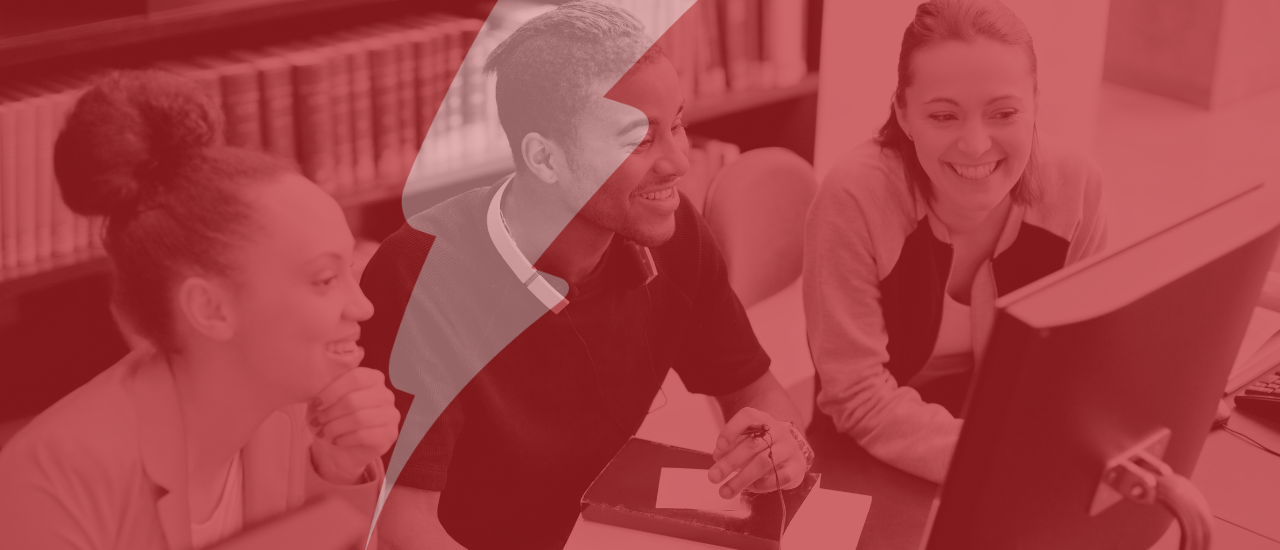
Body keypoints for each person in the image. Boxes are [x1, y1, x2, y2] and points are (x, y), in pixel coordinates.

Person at [359, 2, 814, 549]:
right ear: (546, 159)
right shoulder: (421, 274)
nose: (678, 161)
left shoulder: (674, 234)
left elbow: (757, 388)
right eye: (639, 141)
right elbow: (406, 529)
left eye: (677, 124)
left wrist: (781, 446)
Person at [0, 71, 400, 549]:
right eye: (325, 280)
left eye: (351, 270)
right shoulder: (52, 484)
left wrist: (336, 472)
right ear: (210, 309)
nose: (363, 306)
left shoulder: (295, 417)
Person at [803, 0, 1108, 484]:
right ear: (903, 114)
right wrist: (997, 460)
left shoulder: (1076, 186)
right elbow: (856, 396)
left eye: (1003, 112)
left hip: (1015, 447)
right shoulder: (854, 197)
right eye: (944, 116)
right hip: (871, 457)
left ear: (1034, 104)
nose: (974, 144)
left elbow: (1087, 354)